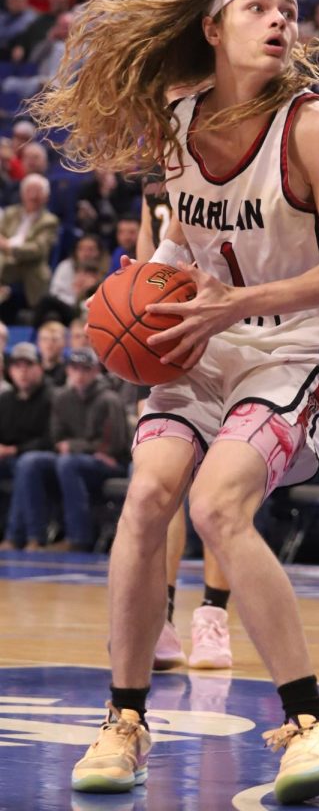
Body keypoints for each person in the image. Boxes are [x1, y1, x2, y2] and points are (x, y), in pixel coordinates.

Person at [31, 0, 319, 801]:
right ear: (213, 28)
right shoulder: (174, 121)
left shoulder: (315, 127)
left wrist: (239, 305)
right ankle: (124, 721)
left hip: (296, 345)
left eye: (288, 9)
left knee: (217, 504)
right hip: (205, 337)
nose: (279, 21)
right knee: (148, 494)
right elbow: (181, 245)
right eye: (259, 6)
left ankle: (309, 725)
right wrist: (142, 299)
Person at [137, 175, 235, 671]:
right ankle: (163, 618)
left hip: (229, 328)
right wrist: (129, 305)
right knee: (162, 488)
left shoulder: (226, 169)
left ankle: (213, 617)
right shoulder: (157, 182)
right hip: (167, 335)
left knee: (222, 491)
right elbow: (146, 265)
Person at [4, 347, 130, 551]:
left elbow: (112, 446)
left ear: (95, 370)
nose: (79, 374)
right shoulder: (62, 397)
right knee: (30, 461)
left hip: (111, 462)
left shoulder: (109, 399)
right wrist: (80, 447)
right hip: (78, 458)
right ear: (68, 371)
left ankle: (78, 538)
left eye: (85, 369)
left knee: (67, 462)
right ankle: (33, 537)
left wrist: (73, 446)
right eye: (75, 368)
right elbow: (56, 437)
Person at [0, 343, 53, 547]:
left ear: (39, 368)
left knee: (27, 464)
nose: (22, 371)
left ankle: (27, 537)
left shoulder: (52, 397)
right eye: (17, 366)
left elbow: (52, 439)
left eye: (28, 365)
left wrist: (15, 450)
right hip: (9, 457)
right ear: (10, 371)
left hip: (42, 457)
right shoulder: (5, 399)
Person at [0, 174, 60, 321]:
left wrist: (9, 247)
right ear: (22, 194)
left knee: (35, 268)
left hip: (31, 266)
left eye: (38, 191)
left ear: (46, 196)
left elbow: (38, 249)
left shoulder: (49, 221)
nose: (33, 196)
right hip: (5, 262)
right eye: (29, 191)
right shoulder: (10, 213)